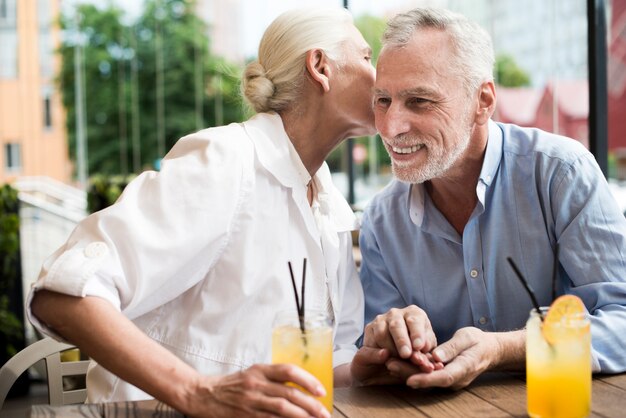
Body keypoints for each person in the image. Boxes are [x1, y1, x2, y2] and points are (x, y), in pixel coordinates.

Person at [28, 7, 375, 417]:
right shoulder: (228, 162)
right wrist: (197, 392)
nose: (379, 74)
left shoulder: (326, 198)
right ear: (321, 66)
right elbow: (63, 293)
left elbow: (325, 358)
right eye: (368, 57)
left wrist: (364, 369)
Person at [351, 7, 626, 390]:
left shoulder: (560, 173)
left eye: (419, 101)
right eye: (382, 100)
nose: (391, 126)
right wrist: (389, 345)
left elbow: (623, 319)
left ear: (482, 101)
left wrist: (503, 348)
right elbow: (377, 357)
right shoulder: (381, 221)